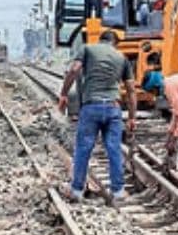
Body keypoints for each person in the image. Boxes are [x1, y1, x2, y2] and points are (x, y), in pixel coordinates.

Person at [58, 30, 137, 205]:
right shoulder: (121, 57)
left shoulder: (88, 49)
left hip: (91, 107)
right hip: (113, 108)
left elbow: (74, 70)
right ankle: (118, 191)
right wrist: (132, 117)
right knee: (114, 148)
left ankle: (77, 190)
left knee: (84, 148)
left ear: (101, 40)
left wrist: (64, 94)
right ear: (115, 43)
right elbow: (131, 90)